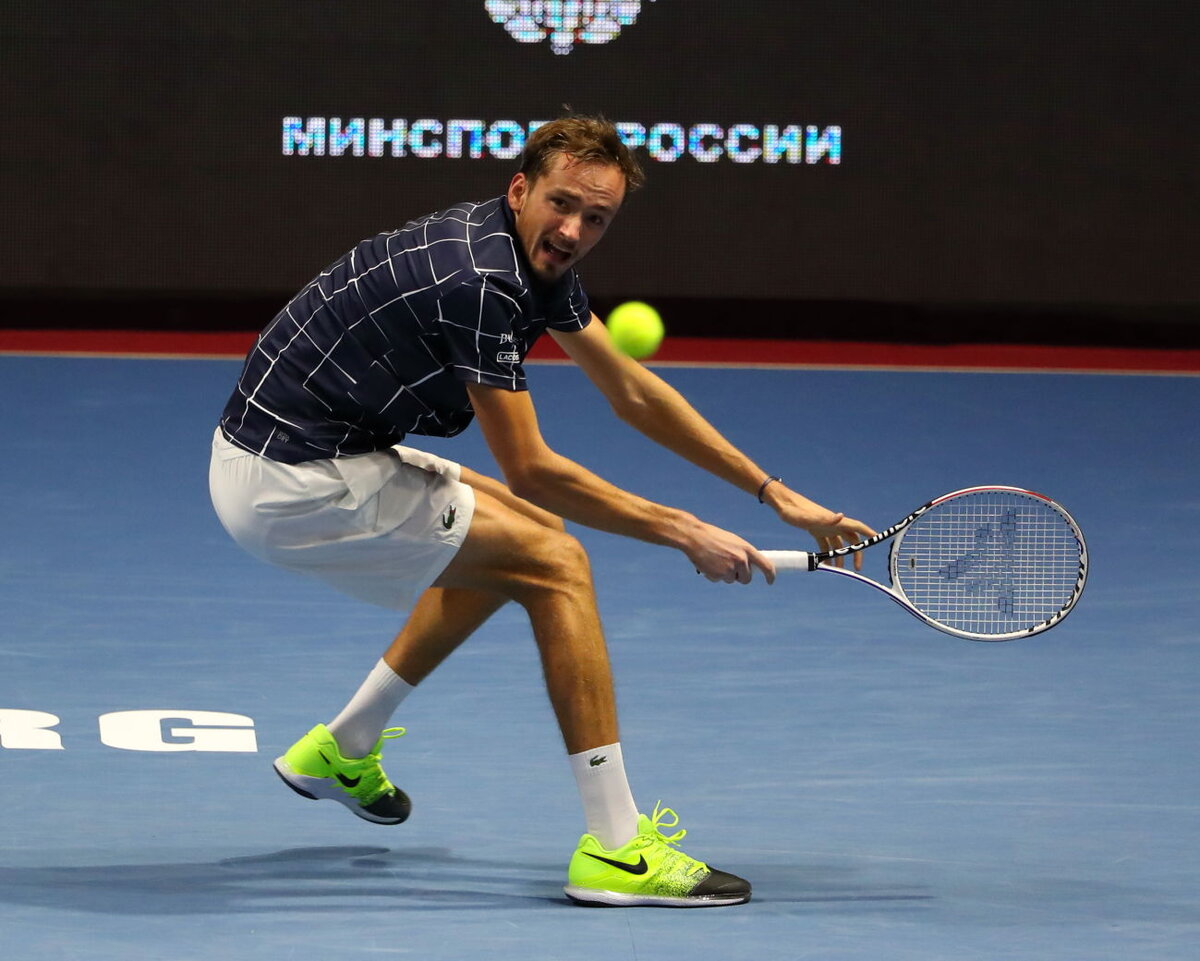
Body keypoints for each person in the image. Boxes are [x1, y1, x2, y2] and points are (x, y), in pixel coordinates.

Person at [208, 113, 874, 908]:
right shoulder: (481, 281)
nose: (574, 229)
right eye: (562, 204)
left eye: (597, 218)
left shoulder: (526, 256)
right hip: (292, 478)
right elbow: (531, 469)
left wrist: (774, 494)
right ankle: (618, 849)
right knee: (557, 565)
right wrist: (685, 529)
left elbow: (630, 389)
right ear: (520, 189)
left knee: (535, 544)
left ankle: (341, 748)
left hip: (311, 449)